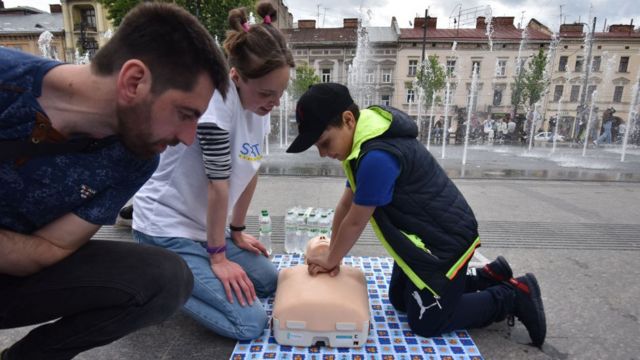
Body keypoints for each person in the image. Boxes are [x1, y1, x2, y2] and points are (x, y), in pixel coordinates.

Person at [0, 3, 229, 359]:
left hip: (13, 273)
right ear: (133, 81)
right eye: (185, 114)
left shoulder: (135, 159)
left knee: (166, 278)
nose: (188, 137)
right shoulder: (8, 80)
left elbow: (52, 249)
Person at [285, 83, 547, 347]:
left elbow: (355, 220)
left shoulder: (377, 156)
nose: (323, 153)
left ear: (348, 119)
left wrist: (332, 259)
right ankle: (487, 277)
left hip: (443, 245)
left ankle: (512, 295)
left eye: (325, 142)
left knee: (426, 322)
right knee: (400, 299)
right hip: (422, 237)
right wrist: (332, 249)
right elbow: (345, 205)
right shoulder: (361, 145)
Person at [131, 1, 294, 341]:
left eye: (280, 93)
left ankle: (197, 267)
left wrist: (236, 230)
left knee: (268, 280)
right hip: (168, 229)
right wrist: (218, 259)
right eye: (266, 93)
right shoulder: (214, 110)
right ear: (236, 76)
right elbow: (218, 186)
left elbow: (252, 170)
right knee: (250, 323)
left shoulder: (258, 109)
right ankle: (155, 279)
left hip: (206, 229)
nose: (274, 103)